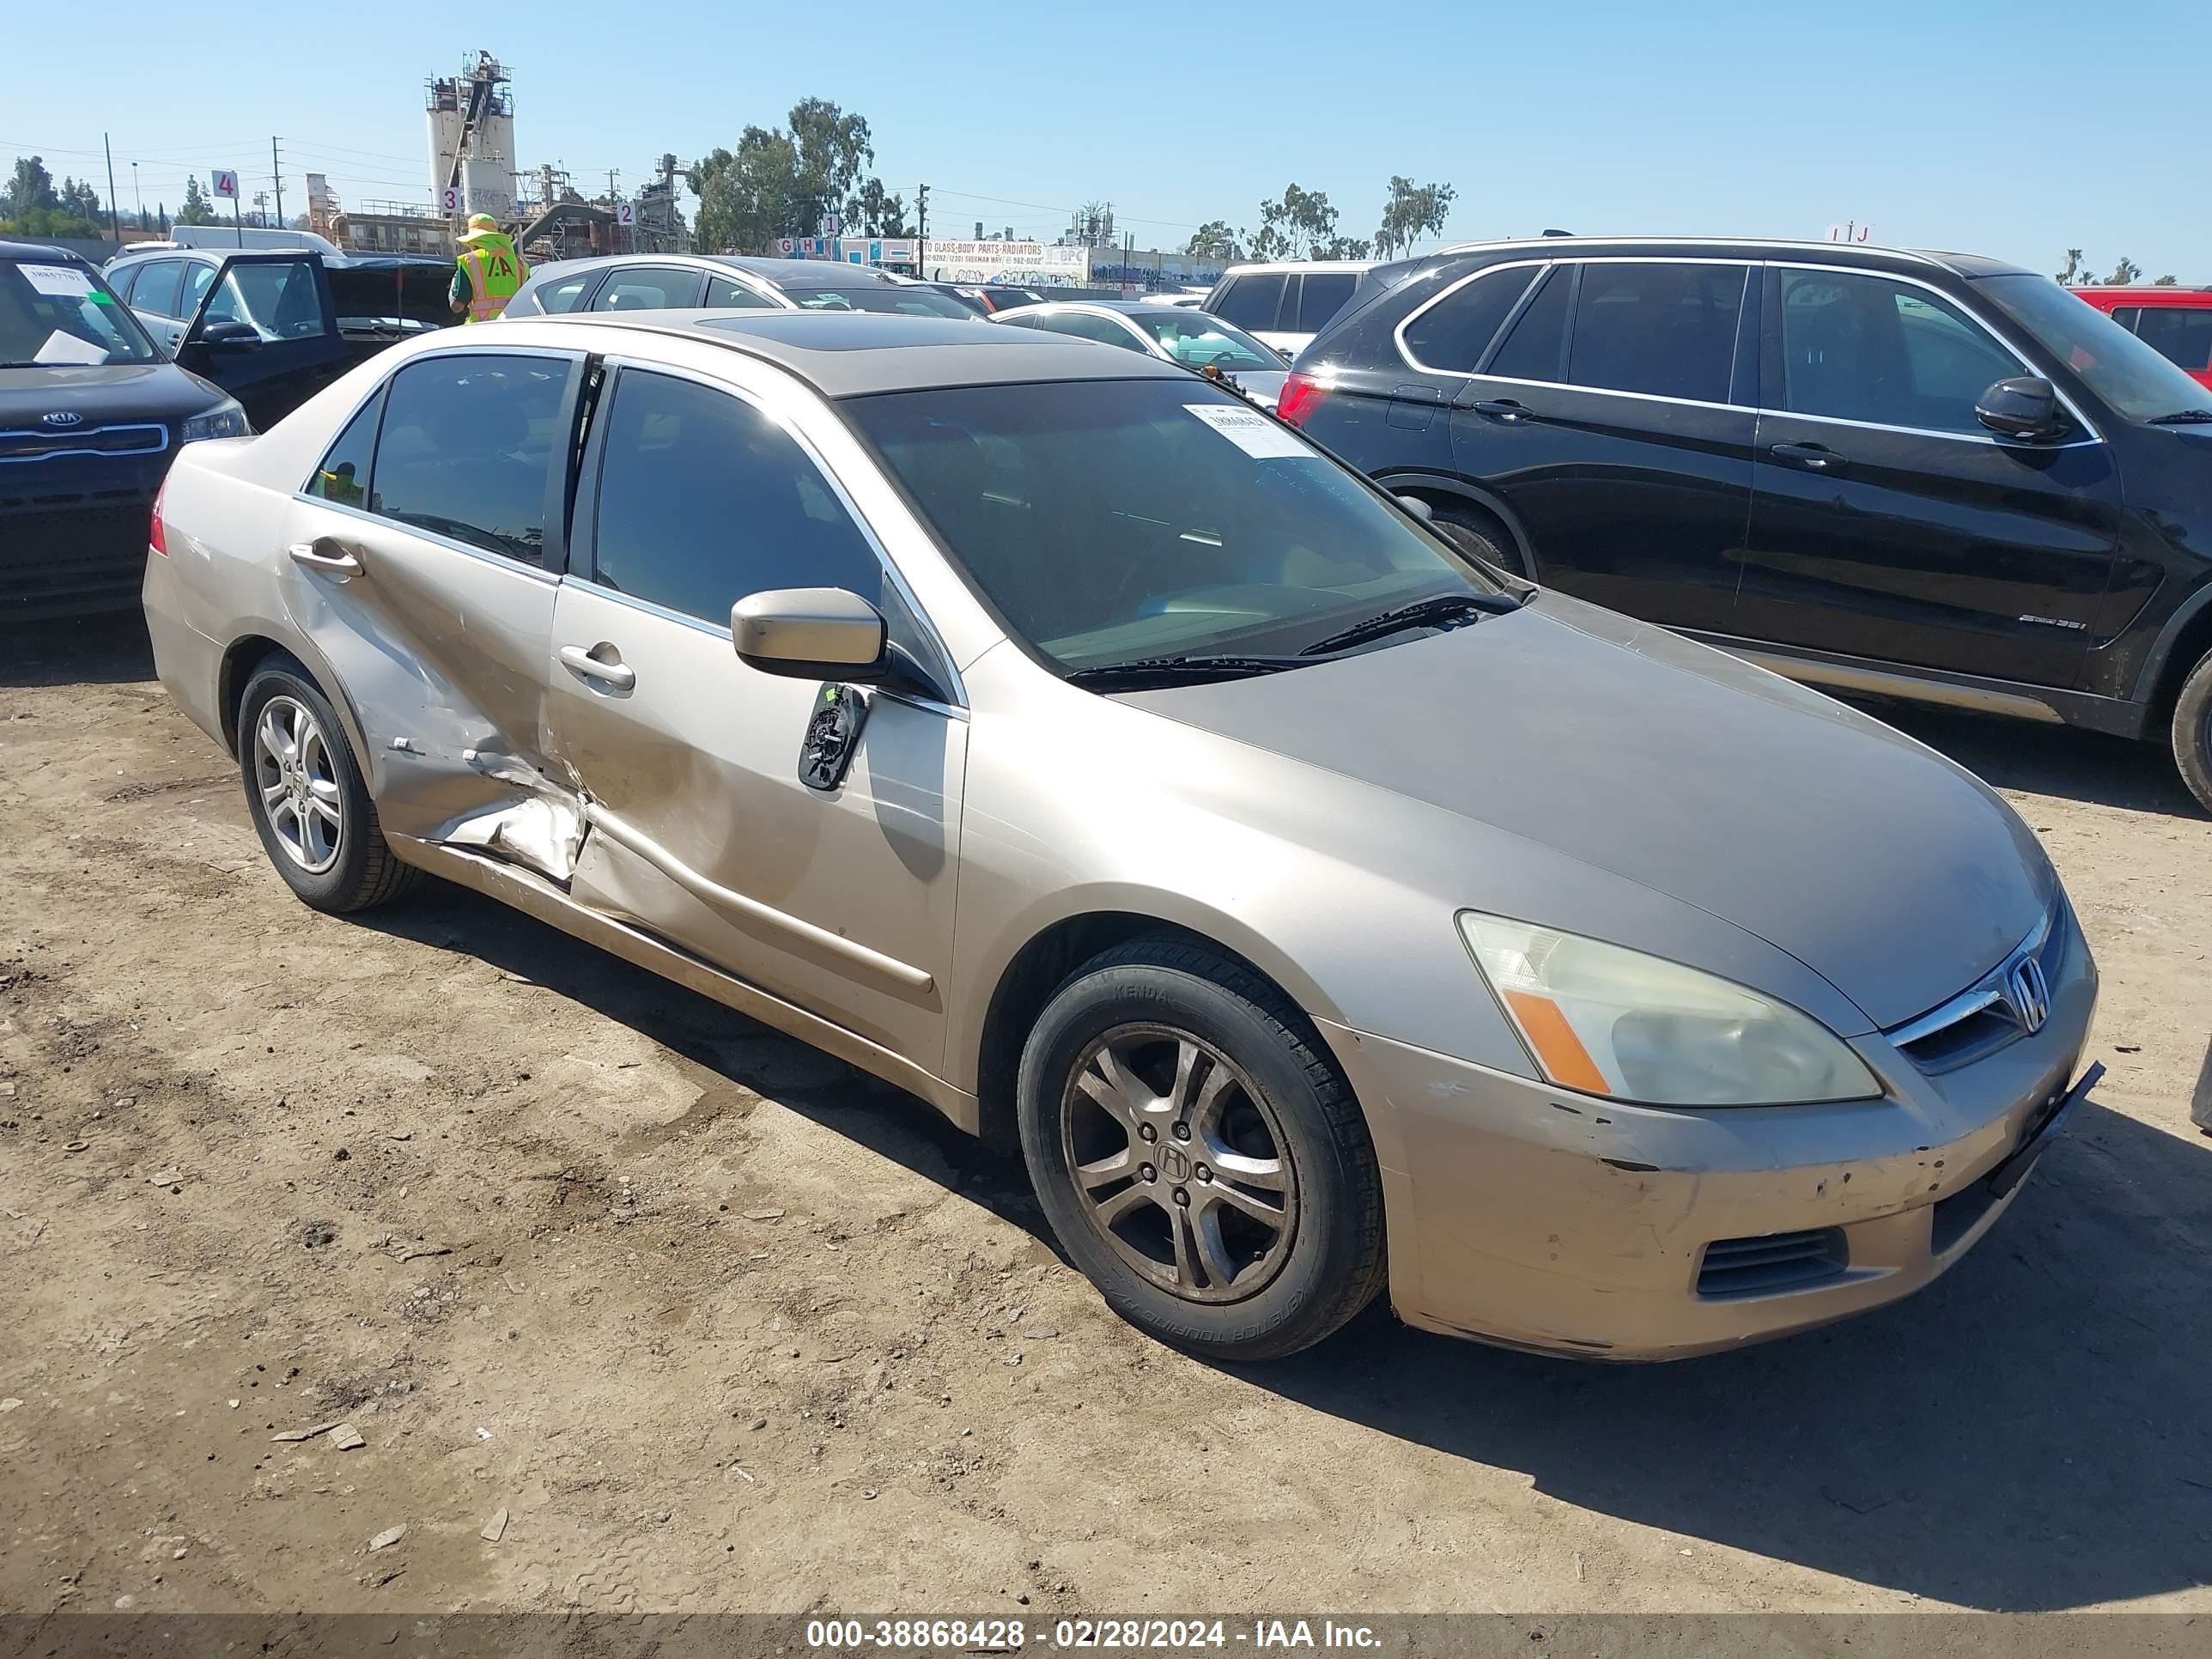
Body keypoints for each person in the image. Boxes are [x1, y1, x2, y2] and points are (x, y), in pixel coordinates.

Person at [450, 214, 526, 324]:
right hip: (513, 327)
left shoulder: (470, 261)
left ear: (473, 241)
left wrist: (454, 282)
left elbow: (457, 306)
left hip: (482, 330)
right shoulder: (520, 264)